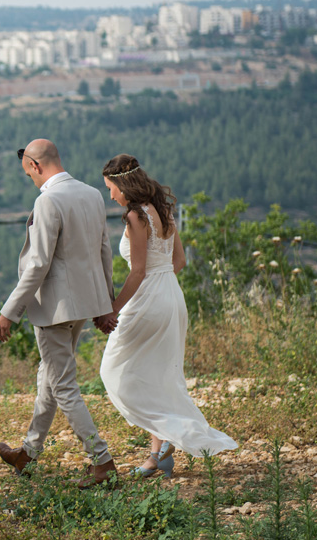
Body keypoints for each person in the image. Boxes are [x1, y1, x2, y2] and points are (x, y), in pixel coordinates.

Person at [99, 154, 238, 478]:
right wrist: (163, 284)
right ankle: (157, 455)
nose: (110, 195)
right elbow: (179, 262)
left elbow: (137, 272)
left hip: (148, 297)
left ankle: (173, 434)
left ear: (123, 185)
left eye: (110, 188)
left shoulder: (135, 216)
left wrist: (112, 310)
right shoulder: (163, 211)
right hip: (172, 295)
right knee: (157, 374)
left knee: (114, 373)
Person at [0, 139, 120, 489]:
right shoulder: (92, 194)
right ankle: (28, 452)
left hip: (53, 309)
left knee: (63, 385)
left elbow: (37, 264)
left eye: (28, 174)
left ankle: (102, 460)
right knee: (49, 377)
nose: (31, 180)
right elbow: (104, 250)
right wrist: (104, 301)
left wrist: (9, 312)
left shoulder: (48, 200)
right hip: (82, 305)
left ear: (36, 165)